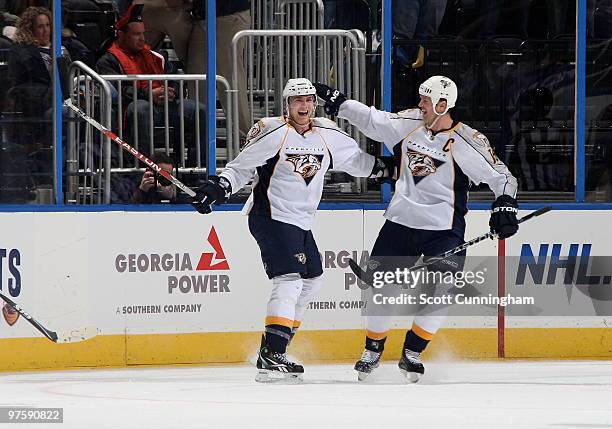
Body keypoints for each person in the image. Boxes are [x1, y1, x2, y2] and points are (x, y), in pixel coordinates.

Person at [314, 76, 519, 382]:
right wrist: (340, 102)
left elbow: (502, 176)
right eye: (421, 99)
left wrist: (504, 204)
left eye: (426, 100)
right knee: (382, 290)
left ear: (442, 104)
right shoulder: (409, 122)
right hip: (400, 223)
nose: (420, 105)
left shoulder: (467, 141)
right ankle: (373, 348)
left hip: (444, 229)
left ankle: (412, 353)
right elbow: (373, 119)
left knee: (442, 291)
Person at [191, 78, 393, 382]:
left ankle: (272, 349)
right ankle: (273, 354)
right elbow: (242, 166)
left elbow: (355, 161)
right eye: (298, 100)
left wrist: (390, 169)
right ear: (287, 104)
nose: (305, 105)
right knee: (289, 279)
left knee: (313, 280)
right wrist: (220, 186)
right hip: (270, 216)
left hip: (301, 221)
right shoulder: (272, 131)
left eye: (310, 100)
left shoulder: (327, 132)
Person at [96, 4, 206, 167]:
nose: (142, 39)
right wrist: (148, 94)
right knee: (141, 109)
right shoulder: (108, 60)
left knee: (199, 110)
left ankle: (197, 167)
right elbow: (119, 90)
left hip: (165, 105)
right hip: (131, 109)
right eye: (136, 34)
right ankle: (143, 168)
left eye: (143, 33)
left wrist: (171, 92)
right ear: (121, 35)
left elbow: (174, 78)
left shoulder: (156, 56)